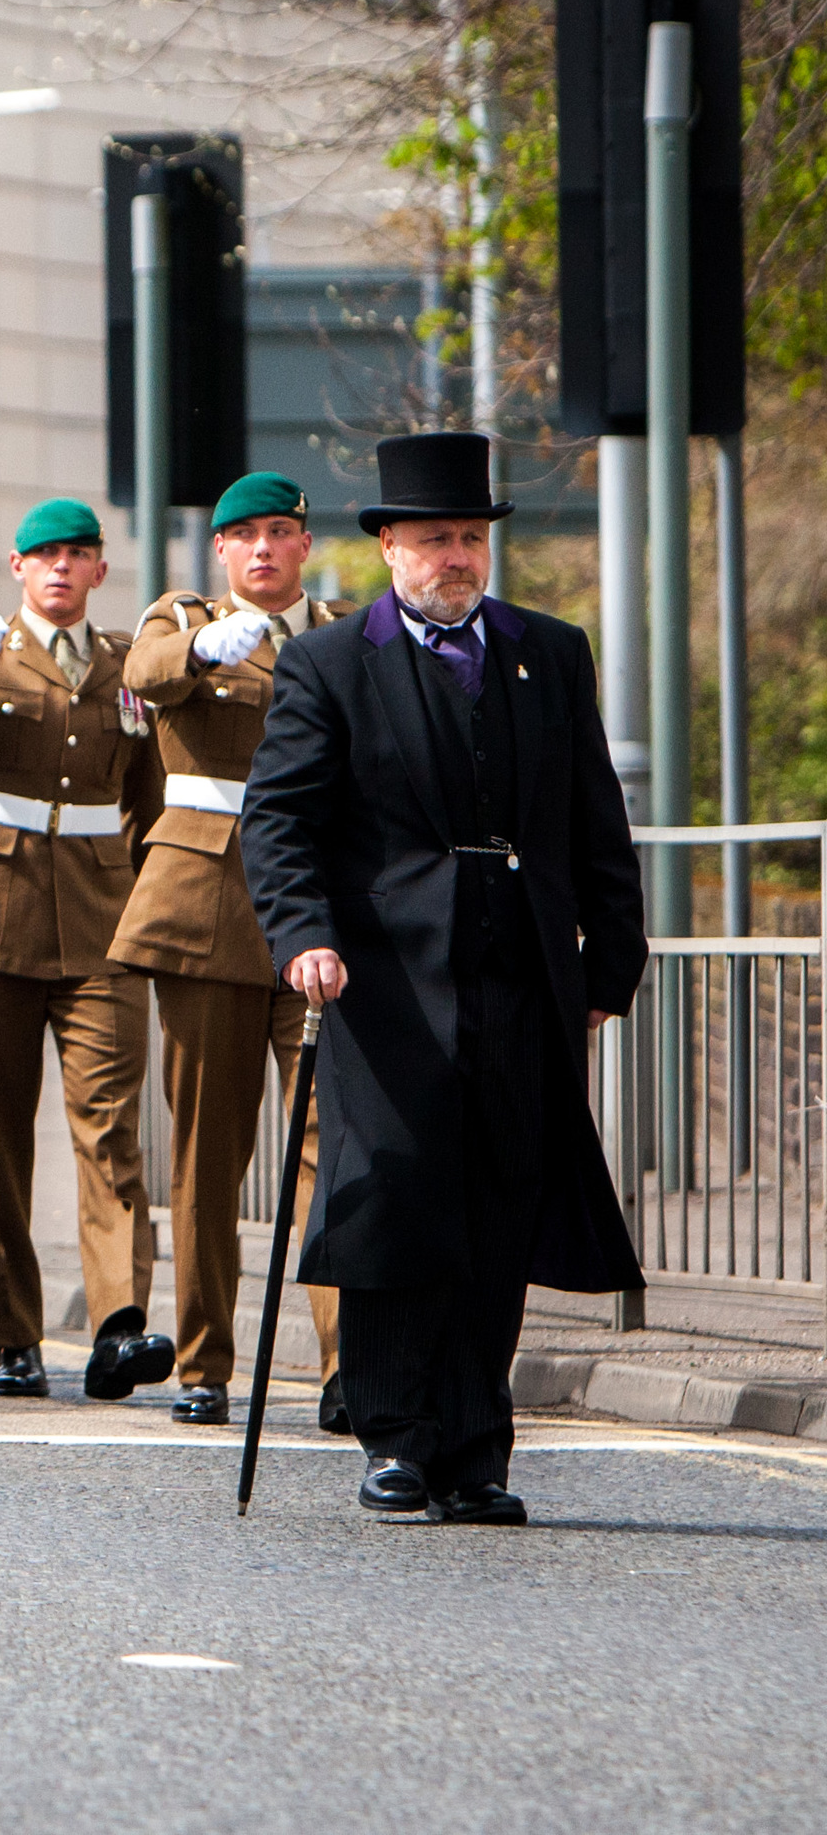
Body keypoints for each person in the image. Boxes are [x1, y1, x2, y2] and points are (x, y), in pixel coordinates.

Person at [242, 432, 643, 1525]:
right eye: (434, 539)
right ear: (388, 549)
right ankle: (393, 1436)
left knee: (499, 1204)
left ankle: (476, 1451)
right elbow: (278, 821)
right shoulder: (328, 663)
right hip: (380, 984)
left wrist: (614, 958)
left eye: (470, 537)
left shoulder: (549, 652)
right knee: (393, 1198)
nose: (457, 556)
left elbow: (591, 817)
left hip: (518, 976)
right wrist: (302, 937)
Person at [0, 497, 173, 1400]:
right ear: (16, 567)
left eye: (78, 554)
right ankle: (13, 1327)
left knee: (109, 1127)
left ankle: (119, 1324)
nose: (60, 568)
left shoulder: (125, 667)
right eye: (43, 554)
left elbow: (149, 794)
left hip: (100, 915)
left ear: (101, 570)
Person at [113, 472, 351, 1428]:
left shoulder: (343, 631)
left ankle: (347, 1364)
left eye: (278, 532)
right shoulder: (182, 617)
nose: (261, 549)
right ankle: (206, 1361)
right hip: (209, 908)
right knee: (211, 1151)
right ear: (219, 550)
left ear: (304, 542)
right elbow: (143, 673)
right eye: (242, 534)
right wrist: (203, 650)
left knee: (331, 1149)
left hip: (318, 924)